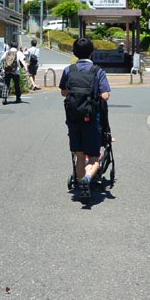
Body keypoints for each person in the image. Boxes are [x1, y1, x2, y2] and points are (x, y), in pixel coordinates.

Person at [60, 37, 111, 203]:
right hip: (91, 119)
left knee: (80, 155)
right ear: (92, 52)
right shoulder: (98, 71)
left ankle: (82, 189)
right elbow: (105, 95)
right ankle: (87, 179)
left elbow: (63, 92)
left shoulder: (69, 70)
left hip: (73, 119)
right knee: (95, 156)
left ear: (74, 53)